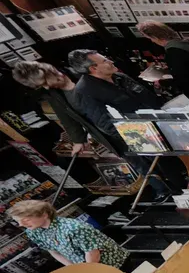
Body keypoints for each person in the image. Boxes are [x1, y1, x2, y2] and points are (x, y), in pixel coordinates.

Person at [13, 60, 174, 200]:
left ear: (52, 71)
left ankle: (176, 183)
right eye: (42, 86)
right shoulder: (54, 94)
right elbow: (67, 118)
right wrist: (78, 140)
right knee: (137, 162)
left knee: (155, 156)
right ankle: (161, 189)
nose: (47, 87)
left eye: (45, 82)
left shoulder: (83, 76)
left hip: (126, 122)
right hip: (105, 131)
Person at [11, 200, 129, 269]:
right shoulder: (33, 232)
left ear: (44, 215)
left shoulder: (74, 228)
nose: (21, 224)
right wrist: (73, 270)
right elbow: (54, 251)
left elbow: (93, 253)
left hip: (113, 264)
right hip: (87, 268)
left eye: (26, 220)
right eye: (18, 221)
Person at [136, 21, 189, 101]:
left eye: (151, 38)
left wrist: (164, 80)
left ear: (155, 36)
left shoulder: (173, 53)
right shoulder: (184, 44)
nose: (152, 41)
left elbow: (183, 78)